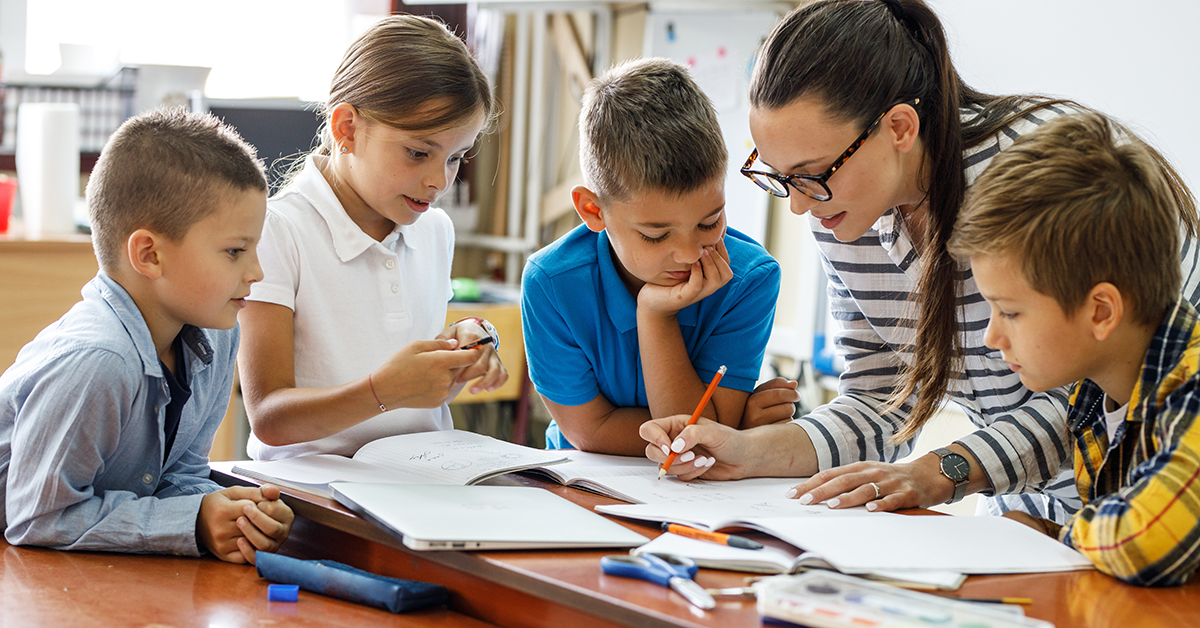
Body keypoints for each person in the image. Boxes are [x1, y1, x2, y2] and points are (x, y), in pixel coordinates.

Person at [640, 0, 1200, 521]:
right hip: (1025, 523)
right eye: (781, 177)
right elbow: (882, 398)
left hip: (1147, 502)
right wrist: (749, 452)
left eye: (812, 175)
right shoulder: (848, 211)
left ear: (900, 128)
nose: (801, 207)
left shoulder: (1037, 184)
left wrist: (944, 470)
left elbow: (1094, 392)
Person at [0, 108, 293, 563]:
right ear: (149, 255)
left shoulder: (216, 337)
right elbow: (36, 516)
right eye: (235, 251)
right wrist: (188, 521)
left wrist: (228, 514)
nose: (256, 272)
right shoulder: (98, 360)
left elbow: (180, 472)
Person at [948, 111, 1200, 586]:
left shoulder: (1194, 386)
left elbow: (1146, 540)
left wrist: (1055, 537)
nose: (991, 337)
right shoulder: (1093, 397)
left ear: (1101, 312)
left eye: (1011, 312)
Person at [238, 15, 507, 460]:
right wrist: (382, 390)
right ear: (347, 129)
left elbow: (406, 373)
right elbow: (269, 417)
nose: (439, 181)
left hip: (423, 476)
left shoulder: (435, 229)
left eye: (456, 158)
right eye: (418, 153)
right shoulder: (278, 229)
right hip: (315, 493)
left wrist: (460, 346)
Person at [522, 57, 790, 457]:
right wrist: (731, 429)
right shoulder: (552, 283)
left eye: (709, 221)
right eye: (655, 234)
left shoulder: (749, 279)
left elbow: (699, 437)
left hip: (699, 498)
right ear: (594, 211)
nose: (688, 253)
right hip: (581, 485)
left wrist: (655, 315)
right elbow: (589, 433)